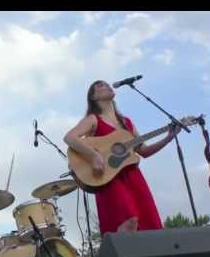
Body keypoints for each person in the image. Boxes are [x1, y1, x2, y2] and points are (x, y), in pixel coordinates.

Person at [63, 80, 181, 235]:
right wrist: (94, 156)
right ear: (93, 97)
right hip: (108, 178)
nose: (106, 86)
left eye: (107, 84)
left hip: (133, 176)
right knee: (129, 221)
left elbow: (143, 151)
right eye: (100, 86)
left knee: (150, 226)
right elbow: (70, 137)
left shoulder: (127, 123)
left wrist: (169, 137)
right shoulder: (93, 119)